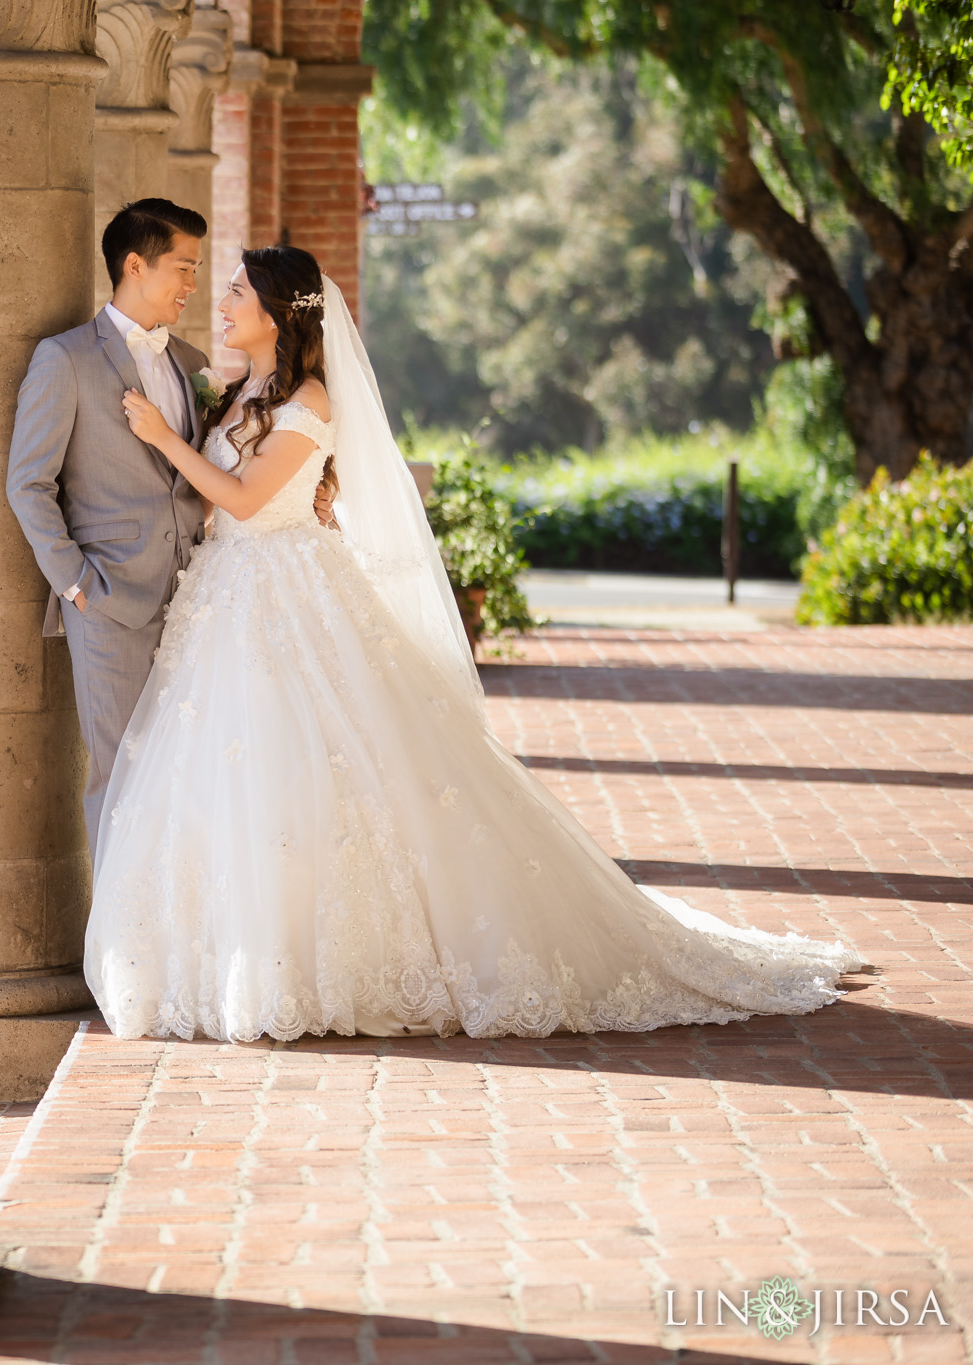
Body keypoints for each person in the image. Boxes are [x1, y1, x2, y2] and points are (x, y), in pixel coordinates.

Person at [83, 245, 868, 1042]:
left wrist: (162, 438)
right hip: (229, 597)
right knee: (234, 772)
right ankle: (240, 952)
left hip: (284, 589)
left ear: (280, 311)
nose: (222, 297)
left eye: (239, 289)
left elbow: (248, 499)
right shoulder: (242, 389)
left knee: (322, 763)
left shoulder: (309, 397)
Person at [6, 200, 334, 862]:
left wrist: (307, 492)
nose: (195, 286)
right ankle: (117, 961)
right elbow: (28, 484)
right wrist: (75, 585)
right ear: (136, 265)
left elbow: (223, 476)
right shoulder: (64, 359)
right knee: (120, 777)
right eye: (184, 268)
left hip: (202, 605)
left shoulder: (195, 364)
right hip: (110, 604)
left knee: (193, 780)